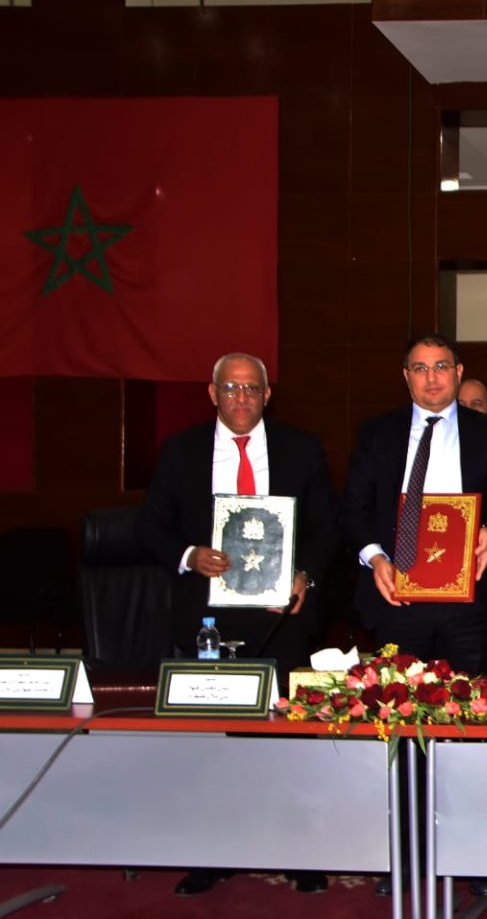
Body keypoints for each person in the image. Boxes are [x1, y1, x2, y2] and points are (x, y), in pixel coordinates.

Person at [136, 352, 338, 897]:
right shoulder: (181, 451)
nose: (241, 398)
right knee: (214, 745)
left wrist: (305, 576)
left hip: (282, 617)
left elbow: (327, 527)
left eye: (251, 389)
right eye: (231, 388)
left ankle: (299, 851)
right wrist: (188, 555)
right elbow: (150, 527)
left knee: (289, 738)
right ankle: (214, 851)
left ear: (268, 395)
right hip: (208, 619)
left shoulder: (301, 448)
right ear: (213, 393)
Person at [342, 334, 487, 676]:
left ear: (458, 372)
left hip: (473, 603)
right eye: (420, 368)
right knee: (397, 702)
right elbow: (352, 508)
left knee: (472, 702)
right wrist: (375, 558)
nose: (431, 378)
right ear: (406, 376)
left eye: (441, 367)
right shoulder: (377, 434)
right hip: (397, 598)